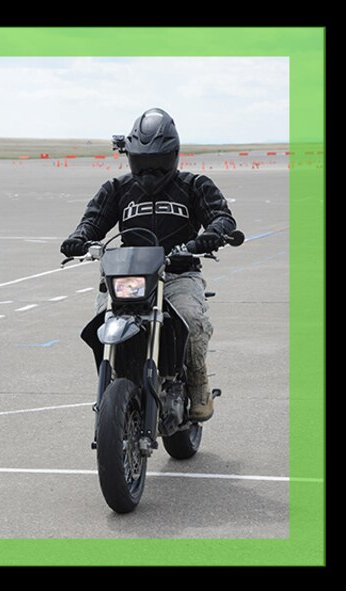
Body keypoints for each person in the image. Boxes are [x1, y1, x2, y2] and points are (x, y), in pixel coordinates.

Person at [61, 107, 237, 422]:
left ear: (173, 155)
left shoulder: (194, 185)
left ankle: (198, 386)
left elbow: (222, 217)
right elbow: (91, 222)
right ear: (130, 157)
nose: (150, 172)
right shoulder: (117, 189)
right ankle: (114, 385)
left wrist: (213, 235)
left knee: (193, 321)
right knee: (100, 323)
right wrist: (79, 238)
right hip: (128, 274)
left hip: (178, 272)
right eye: (142, 163)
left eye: (158, 163)